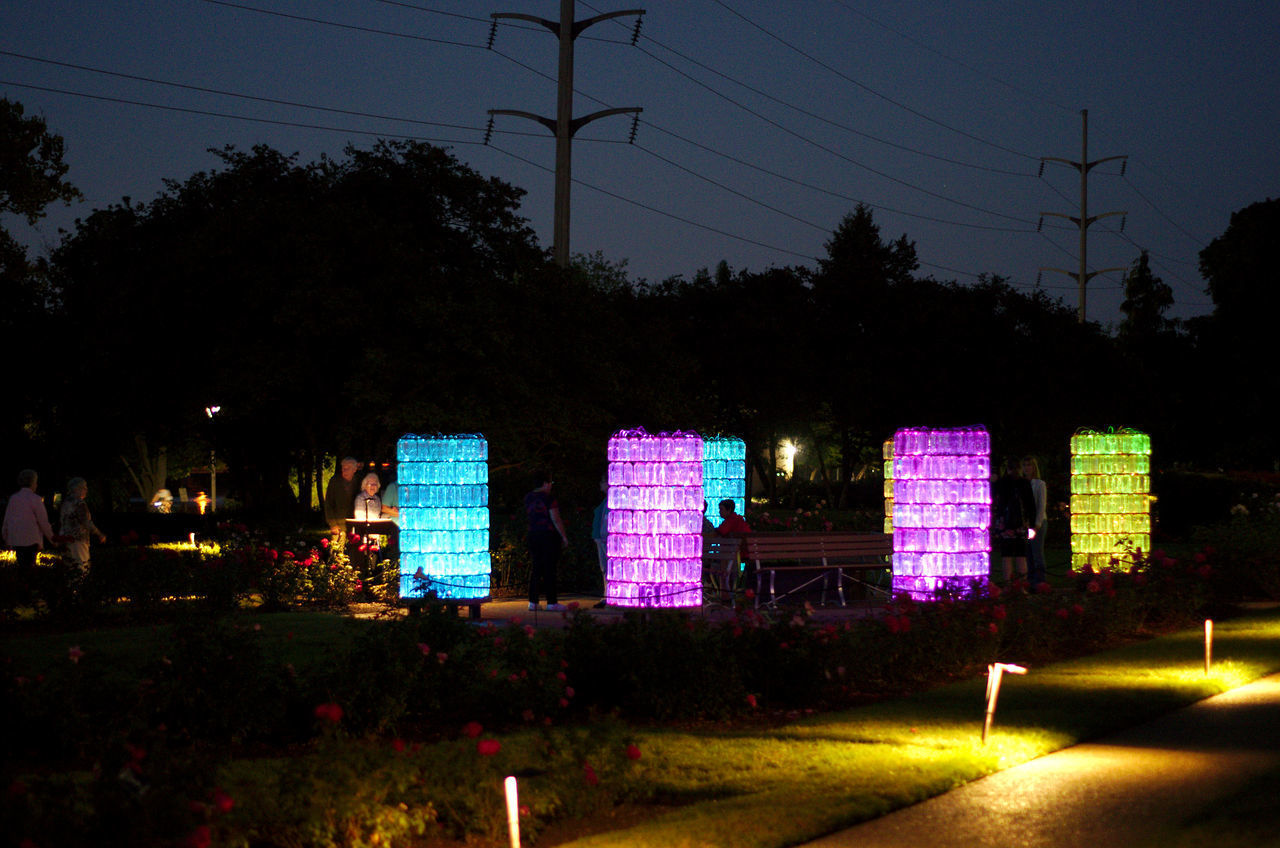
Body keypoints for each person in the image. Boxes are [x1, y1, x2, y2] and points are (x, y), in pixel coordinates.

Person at [524, 470, 569, 612]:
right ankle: (551, 602)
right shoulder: (549, 499)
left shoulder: (528, 498)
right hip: (548, 536)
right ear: (545, 483)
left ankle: (533, 601)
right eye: (550, 483)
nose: (551, 486)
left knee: (536, 567)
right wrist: (564, 536)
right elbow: (555, 518)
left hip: (533, 534)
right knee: (550, 568)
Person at [991, 458, 1036, 583]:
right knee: (1021, 555)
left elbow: (994, 498)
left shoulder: (1002, 482)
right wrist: (1031, 524)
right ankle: (1022, 584)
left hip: (1004, 523)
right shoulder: (1024, 483)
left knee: (1007, 555)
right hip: (1021, 524)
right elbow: (1031, 505)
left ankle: (1008, 585)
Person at [2, 469, 57, 569]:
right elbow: (43, 522)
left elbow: (7, 520)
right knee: (29, 567)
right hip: (31, 540)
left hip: (16, 540)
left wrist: (6, 537)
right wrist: (52, 539)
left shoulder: (14, 499)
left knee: (22, 566)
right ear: (32, 483)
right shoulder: (35, 499)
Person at [60, 477, 106, 584]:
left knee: (70, 568)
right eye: (84, 487)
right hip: (78, 539)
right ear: (77, 488)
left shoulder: (65, 503)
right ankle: (79, 593)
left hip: (65, 539)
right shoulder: (79, 503)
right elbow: (86, 522)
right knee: (81, 567)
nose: (86, 490)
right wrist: (99, 534)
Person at [1022, 456, 1048, 587]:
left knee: (1037, 552)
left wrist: (1037, 525)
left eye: (1029, 465)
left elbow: (1041, 505)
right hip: (1025, 523)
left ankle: (1041, 581)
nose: (1027, 468)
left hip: (1038, 523)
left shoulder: (1039, 484)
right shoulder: (1021, 483)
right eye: (1025, 465)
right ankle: (1031, 581)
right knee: (1028, 554)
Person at [323, 457, 360, 536]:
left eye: (348, 468)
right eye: (343, 468)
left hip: (356, 523)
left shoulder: (359, 482)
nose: (345, 470)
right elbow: (328, 503)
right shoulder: (335, 481)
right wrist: (332, 524)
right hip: (339, 524)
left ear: (354, 469)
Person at [590, 473, 609, 604]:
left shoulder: (609, 501)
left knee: (607, 567)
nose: (600, 485)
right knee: (604, 568)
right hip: (601, 537)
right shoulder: (605, 501)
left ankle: (608, 596)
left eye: (602, 482)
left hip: (604, 538)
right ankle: (606, 595)